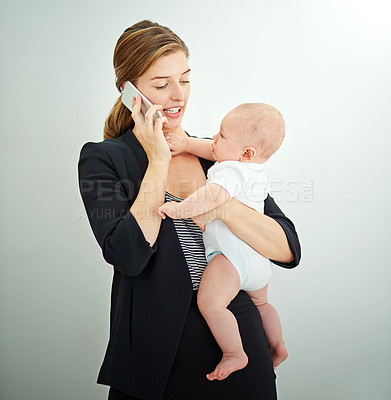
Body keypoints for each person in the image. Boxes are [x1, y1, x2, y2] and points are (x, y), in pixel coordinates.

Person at [78, 20, 301, 400]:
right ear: (129, 92)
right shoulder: (104, 159)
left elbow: (287, 249)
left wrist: (223, 205)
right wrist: (158, 160)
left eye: (185, 79)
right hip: (156, 357)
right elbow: (128, 256)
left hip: (239, 341)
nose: (177, 95)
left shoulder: (219, 155)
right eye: (161, 84)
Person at [158, 102, 288, 381]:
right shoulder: (253, 167)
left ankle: (234, 353)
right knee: (262, 305)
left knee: (212, 303)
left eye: (222, 135)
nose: (214, 139)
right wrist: (187, 144)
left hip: (231, 258)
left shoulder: (230, 172)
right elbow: (212, 150)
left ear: (245, 153)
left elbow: (213, 197)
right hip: (258, 263)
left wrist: (180, 210)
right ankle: (277, 343)